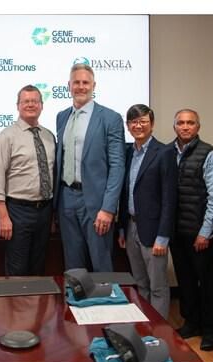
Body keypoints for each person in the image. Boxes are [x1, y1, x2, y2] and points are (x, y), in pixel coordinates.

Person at [55, 63, 125, 272]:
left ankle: (105, 296)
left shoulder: (110, 118)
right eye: (76, 82)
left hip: (96, 203)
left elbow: (117, 166)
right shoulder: (62, 116)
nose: (81, 86)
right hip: (66, 199)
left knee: (101, 265)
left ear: (94, 86)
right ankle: (74, 296)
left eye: (85, 82)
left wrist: (108, 208)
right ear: (69, 85)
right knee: (73, 266)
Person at [170, 109, 213, 351]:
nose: (185, 127)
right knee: (186, 282)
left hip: (200, 234)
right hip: (177, 232)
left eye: (190, 123)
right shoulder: (168, 152)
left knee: (210, 284)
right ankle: (191, 323)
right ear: (174, 126)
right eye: (181, 123)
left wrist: (205, 232)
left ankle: (211, 331)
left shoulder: (209, 154)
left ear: (198, 127)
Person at [117, 105, 177, 319]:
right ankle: (144, 325)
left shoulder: (165, 152)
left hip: (154, 231)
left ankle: (159, 330)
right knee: (140, 283)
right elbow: (124, 193)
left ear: (152, 124)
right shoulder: (127, 153)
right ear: (128, 126)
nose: (138, 125)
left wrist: (163, 236)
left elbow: (170, 198)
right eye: (133, 122)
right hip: (131, 227)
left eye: (143, 121)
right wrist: (122, 229)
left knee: (157, 286)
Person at [0, 85, 55, 275]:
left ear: (41, 105)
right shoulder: (6, 137)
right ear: (18, 105)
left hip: (44, 211)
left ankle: (36, 297)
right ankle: (16, 297)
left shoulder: (49, 136)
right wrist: (3, 216)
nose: (30, 105)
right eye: (26, 101)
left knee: (38, 266)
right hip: (17, 211)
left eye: (35, 101)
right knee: (17, 269)